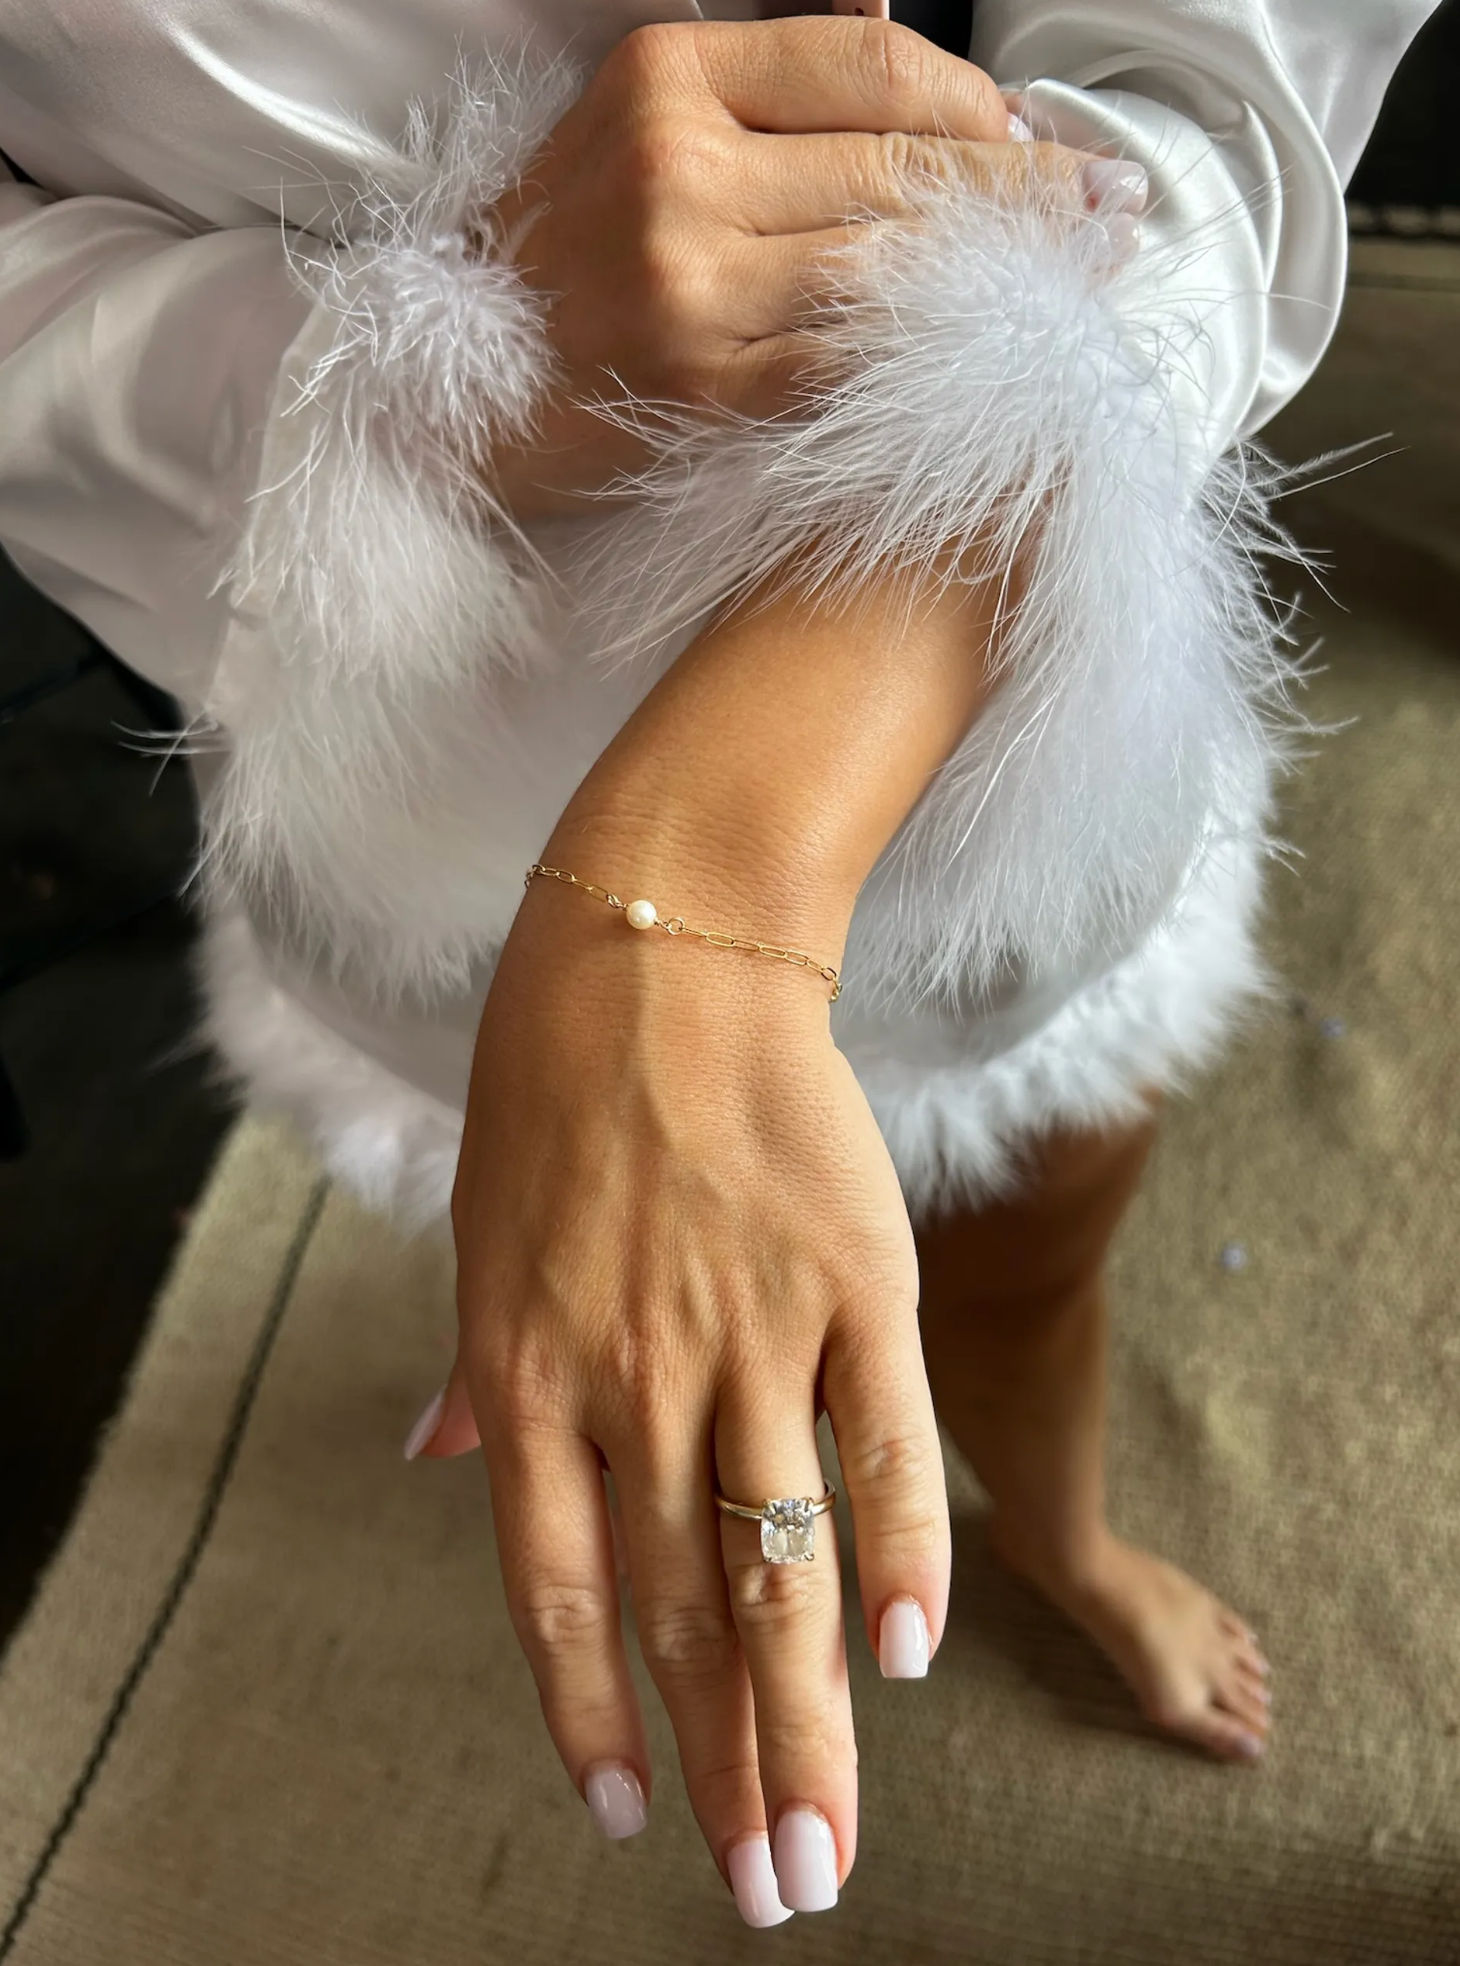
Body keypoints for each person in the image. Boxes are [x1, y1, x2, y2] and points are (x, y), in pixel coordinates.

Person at [0, 0, 1436, 1929]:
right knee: (601, 1311)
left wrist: (695, 883)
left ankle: (1065, 1530)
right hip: (444, 857)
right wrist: (411, 366)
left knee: (1043, 1230)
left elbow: (1224, 74)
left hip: (1007, 757)